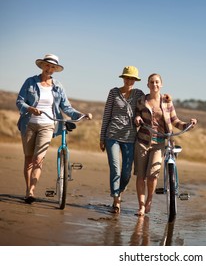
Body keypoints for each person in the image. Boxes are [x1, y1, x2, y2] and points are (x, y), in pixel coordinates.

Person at [16, 53, 93, 204]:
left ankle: (32, 190)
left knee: (38, 159)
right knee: (28, 159)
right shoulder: (30, 82)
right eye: (47, 65)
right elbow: (19, 102)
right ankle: (28, 190)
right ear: (42, 66)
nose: (49, 69)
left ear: (55, 70)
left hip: (48, 125)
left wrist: (81, 115)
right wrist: (30, 108)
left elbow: (66, 107)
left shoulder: (58, 86)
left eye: (52, 67)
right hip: (29, 124)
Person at [134, 73, 197, 216]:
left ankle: (149, 200)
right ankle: (141, 206)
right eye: (151, 82)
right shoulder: (141, 100)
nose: (154, 84)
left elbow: (175, 121)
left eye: (157, 82)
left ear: (161, 84)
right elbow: (136, 115)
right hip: (142, 142)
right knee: (140, 176)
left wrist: (188, 124)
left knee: (152, 176)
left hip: (160, 143)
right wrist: (137, 118)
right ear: (147, 84)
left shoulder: (167, 102)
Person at [100, 66, 144, 214]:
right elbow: (106, 115)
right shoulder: (113, 92)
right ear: (123, 78)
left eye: (132, 78)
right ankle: (116, 200)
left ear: (135, 80)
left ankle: (120, 189)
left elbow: (151, 102)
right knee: (115, 168)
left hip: (130, 137)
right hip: (112, 135)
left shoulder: (139, 94)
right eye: (127, 77)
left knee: (126, 172)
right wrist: (102, 137)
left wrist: (165, 99)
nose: (129, 80)